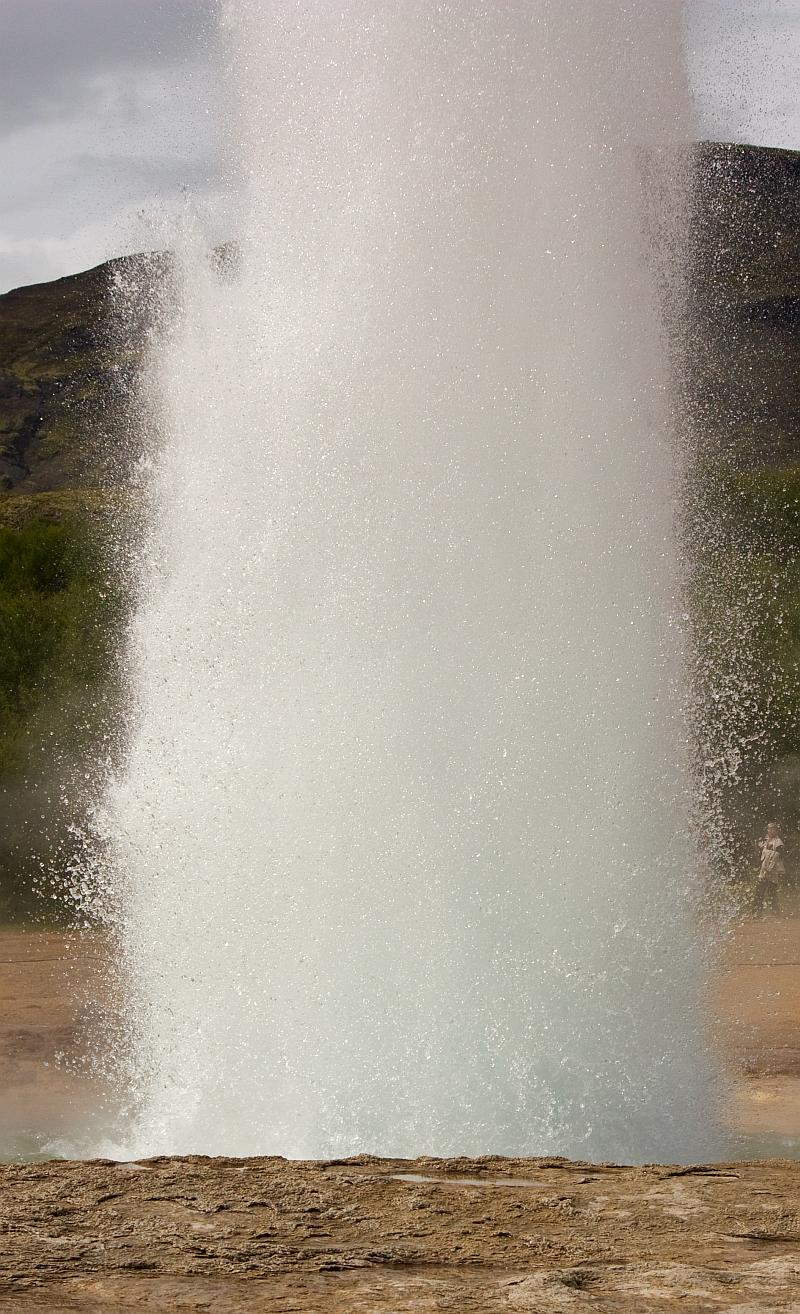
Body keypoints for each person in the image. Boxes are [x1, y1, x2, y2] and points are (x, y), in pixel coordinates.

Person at [754, 821, 784, 917]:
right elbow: (761, 851)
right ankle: (757, 911)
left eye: (773, 829)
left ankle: (775, 912)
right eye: (769, 829)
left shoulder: (778, 842)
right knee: (760, 890)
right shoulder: (766, 841)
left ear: (776, 831)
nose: (771, 831)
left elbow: (776, 857)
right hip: (764, 869)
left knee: (772, 891)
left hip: (773, 870)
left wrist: (769, 869)